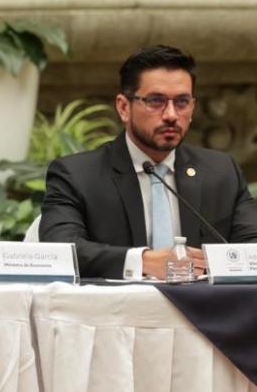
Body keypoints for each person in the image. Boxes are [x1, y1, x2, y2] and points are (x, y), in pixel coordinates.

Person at [40, 45, 257, 279]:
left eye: (182, 102)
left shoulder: (221, 172)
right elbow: (60, 249)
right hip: (116, 312)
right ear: (124, 107)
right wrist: (142, 262)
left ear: (193, 107)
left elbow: (252, 247)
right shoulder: (78, 175)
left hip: (206, 312)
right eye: (156, 101)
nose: (171, 115)